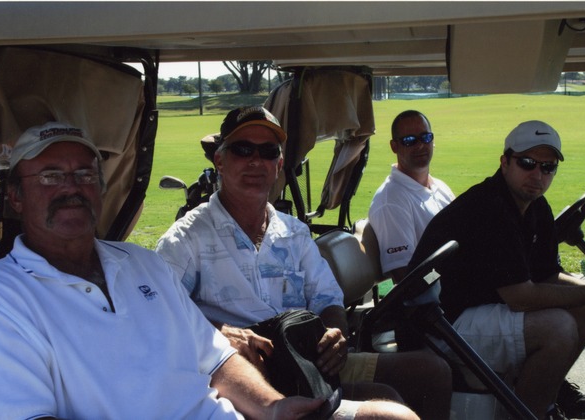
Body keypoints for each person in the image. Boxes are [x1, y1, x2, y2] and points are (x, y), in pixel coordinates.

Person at [0, 122, 328, 419]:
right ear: (15, 196)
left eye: (85, 174)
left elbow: (218, 358)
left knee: (380, 411)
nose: (71, 188)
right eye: (51, 176)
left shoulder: (143, 263)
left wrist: (272, 407)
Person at [156, 106, 452, 419]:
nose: (256, 161)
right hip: (243, 381)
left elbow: (328, 299)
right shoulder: (187, 239)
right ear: (220, 159)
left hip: (306, 363)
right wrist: (221, 332)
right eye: (242, 150)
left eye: (268, 152)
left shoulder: (293, 232)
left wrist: (335, 335)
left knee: (431, 372)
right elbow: (156, 314)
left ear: (279, 165)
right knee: (393, 413)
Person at [406, 120, 585, 419]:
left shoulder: (534, 205)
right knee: (558, 329)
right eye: (527, 163)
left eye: (548, 167)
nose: (537, 174)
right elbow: (520, 297)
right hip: (440, 323)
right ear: (505, 162)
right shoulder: (489, 207)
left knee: (584, 313)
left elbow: (546, 275)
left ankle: (543, 401)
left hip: (474, 309)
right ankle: (526, 413)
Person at [369, 110, 454, 284]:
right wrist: (447, 271)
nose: (420, 145)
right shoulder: (391, 201)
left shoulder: (440, 187)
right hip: (442, 303)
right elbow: (407, 280)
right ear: (394, 146)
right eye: (410, 141)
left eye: (425, 137)